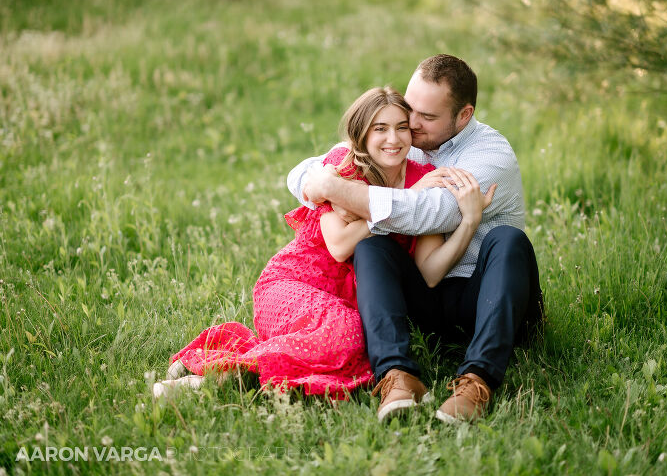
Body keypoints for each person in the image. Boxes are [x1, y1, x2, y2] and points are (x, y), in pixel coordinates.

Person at [154, 86, 494, 400]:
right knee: (343, 334)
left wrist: (469, 222)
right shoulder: (343, 171)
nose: (393, 139)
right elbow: (340, 246)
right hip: (295, 283)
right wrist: (404, 200)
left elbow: (429, 274)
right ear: (361, 133)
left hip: (354, 303)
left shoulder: (424, 182)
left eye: (402, 127)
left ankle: (234, 362)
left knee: (354, 341)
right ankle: (216, 373)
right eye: (380, 128)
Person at [288, 54, 544, 422]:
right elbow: (311, 167)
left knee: (507, 239)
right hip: (429, 289)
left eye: (427, 116)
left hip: (488, 295)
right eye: (411, 109)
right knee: (373, 244)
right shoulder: (411, 139)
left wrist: (338, 190)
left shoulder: (490, 156)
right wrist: (319, 183)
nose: (411, 122)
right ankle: (397, 375)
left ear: (463, 115)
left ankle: (478, 380)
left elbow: (427, 211)